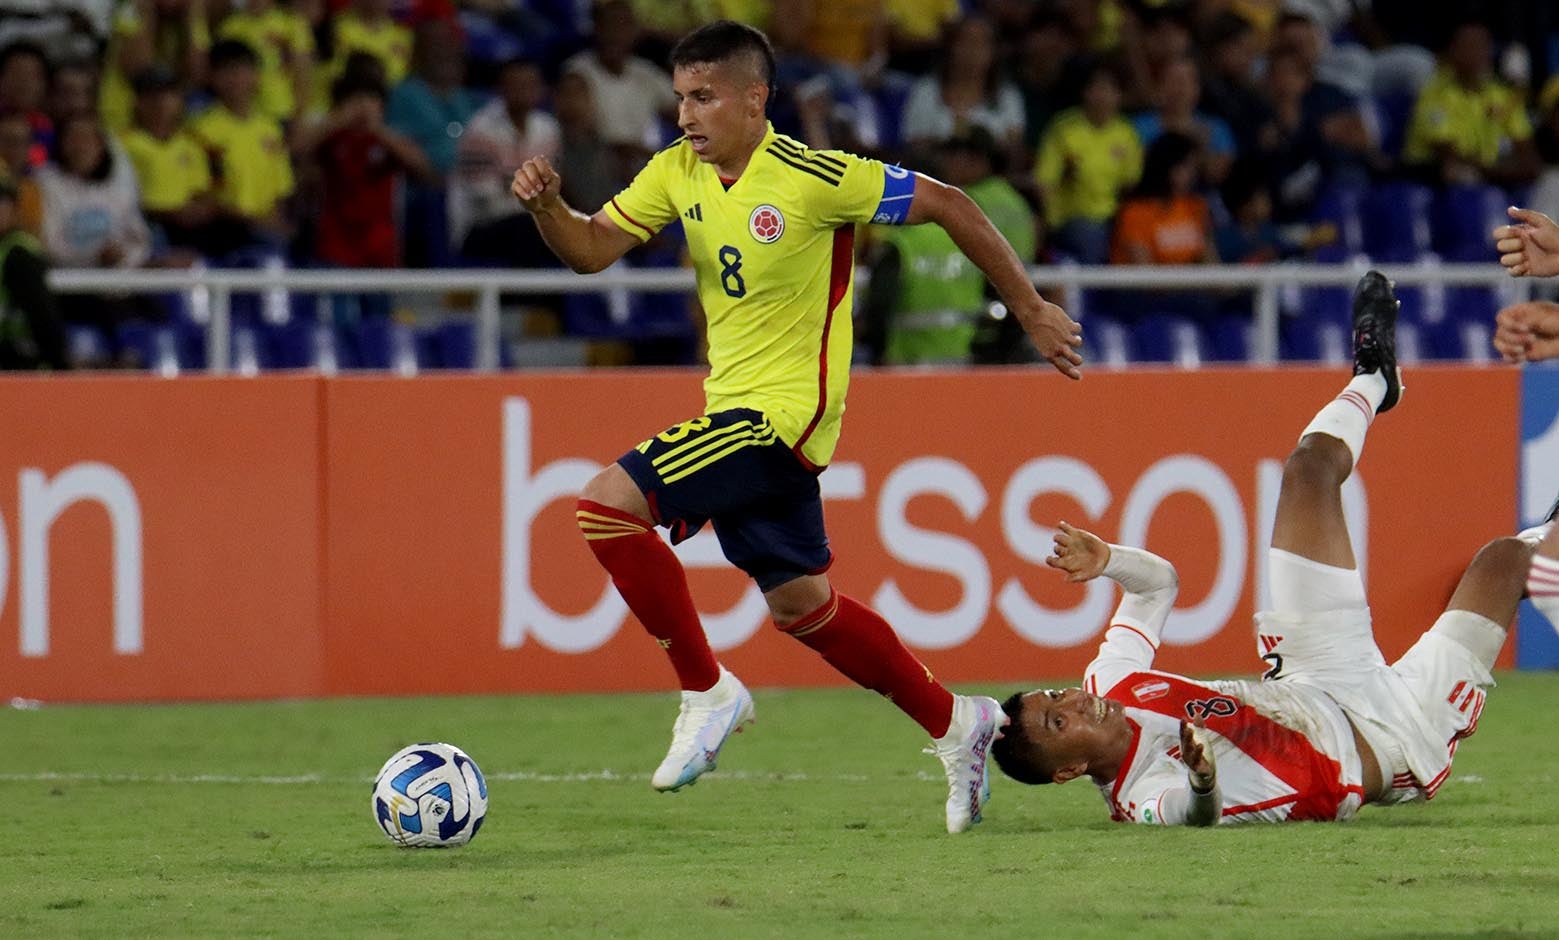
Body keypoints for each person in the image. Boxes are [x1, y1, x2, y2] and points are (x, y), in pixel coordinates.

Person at [510, 20, 1082, 833]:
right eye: (679, 98)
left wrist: (1028, 308)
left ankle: (706, 690)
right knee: (801, 606)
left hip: (779, 420)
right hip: (734, 416)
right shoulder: (676, 171)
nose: (685, 115)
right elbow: (592, 249)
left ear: (754, 99)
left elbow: (949, 203)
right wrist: (547, 208)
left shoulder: (815, 177)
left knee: (605, 505)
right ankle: (958, 723)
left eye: (703, 97)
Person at [992, 271, 1534, 824]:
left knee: (1307, 471)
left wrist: (1111, 560)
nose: (1073, 701)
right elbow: (1191, 812)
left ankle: (1374, 379)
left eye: (1055, 696)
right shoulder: (1141, 794)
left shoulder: (1111, 681)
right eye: (1058, 722)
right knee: (1507, 560)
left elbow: (1158, 587)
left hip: (1316, 673)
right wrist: (1202, 780)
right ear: (1069, 770)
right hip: (1393, 738)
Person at [1034, 63, 1141, 264]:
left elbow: (1131, 183)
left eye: (1109, 89)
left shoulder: (1126, 132)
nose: (1102, 96)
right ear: (1085, 92)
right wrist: (1052, 220)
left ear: (1119, 95)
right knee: (1090, 235)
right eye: (1096, 88)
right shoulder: (1064, 128)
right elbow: (1044, 181)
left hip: (1114, 218)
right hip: (1072, 219)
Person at [0, 173, 69, 370]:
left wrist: (58, 366)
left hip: (19, 358)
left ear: (14, 210)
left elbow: (43, 315)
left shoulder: (20, 255)